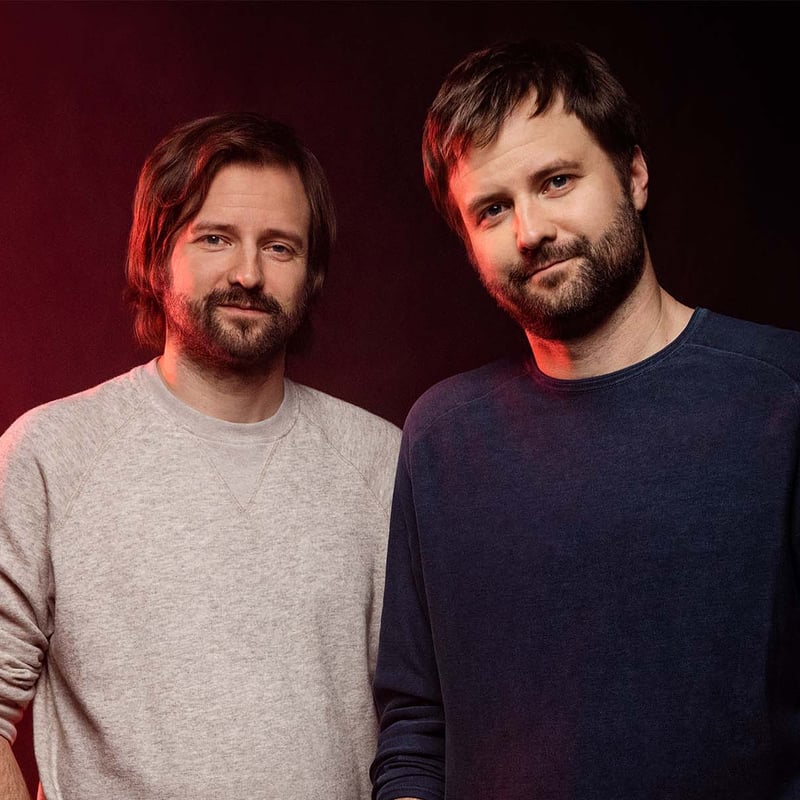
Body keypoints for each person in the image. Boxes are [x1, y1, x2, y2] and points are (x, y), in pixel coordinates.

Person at [370, 38, 800, 800]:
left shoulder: (782, 396)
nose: (530, 230)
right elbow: (416, 724)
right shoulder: (442, 436)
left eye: (557, 180)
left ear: (634, 175)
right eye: (493, 208)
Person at [0, 111, 401, 800]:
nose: (247, 272)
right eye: (215, 238)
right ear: (156, 256)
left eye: (280, 247)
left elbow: (422, 720)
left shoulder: (383, 463)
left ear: (312, 275)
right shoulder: (50, 454)